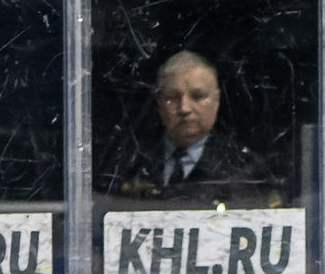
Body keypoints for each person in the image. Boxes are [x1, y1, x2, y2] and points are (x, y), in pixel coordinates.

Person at [102, 51, 279, 203]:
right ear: (159, 104)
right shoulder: (129, 161)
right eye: (172, 97)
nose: (184, 108)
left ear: (216, 101)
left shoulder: (245, 169)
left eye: (198, 96)